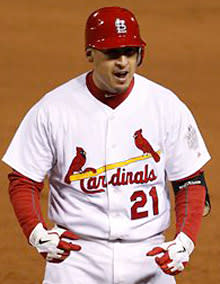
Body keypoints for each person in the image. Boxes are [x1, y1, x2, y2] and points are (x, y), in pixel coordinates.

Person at [2, 6, 211, 284]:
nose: (123, 62)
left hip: (149, 255)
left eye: (130, 52)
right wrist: (36, 232)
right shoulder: (53, 109)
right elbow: (23, 180)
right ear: (90, 54)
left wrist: (185, 240)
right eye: (112, 54)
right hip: (76, 258)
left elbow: (190, 181)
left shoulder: (166, 106)